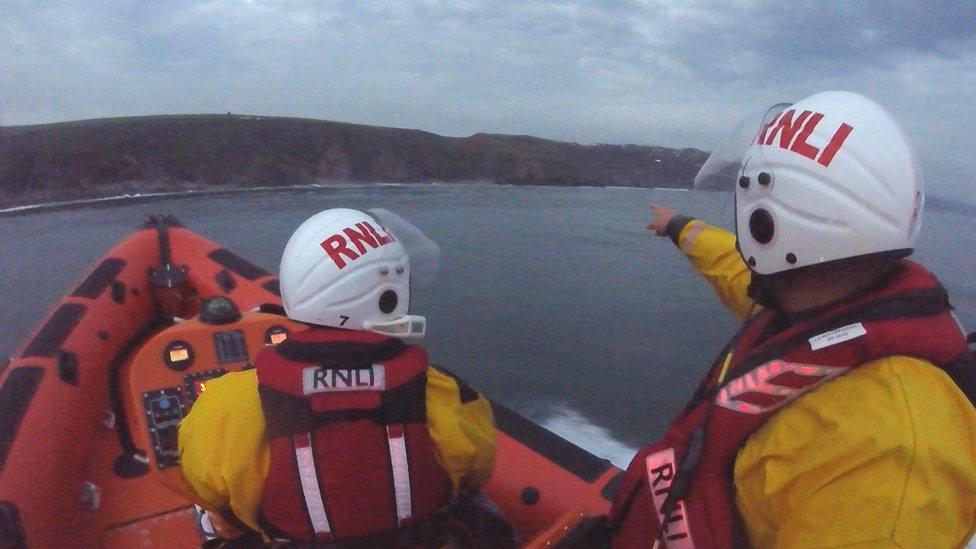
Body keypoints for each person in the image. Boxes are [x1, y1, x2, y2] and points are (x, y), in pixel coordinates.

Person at [608, 91, 976, 547]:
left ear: (765, 220)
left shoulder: (889, 451)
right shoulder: (821, 306)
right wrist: (680, 226)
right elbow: (735, 269)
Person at [178, 208, 498, 546]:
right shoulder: (447, 395)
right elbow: (478, 470)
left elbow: (201, 482)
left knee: (216, 519)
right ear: (387, 294)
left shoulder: (224, 405)